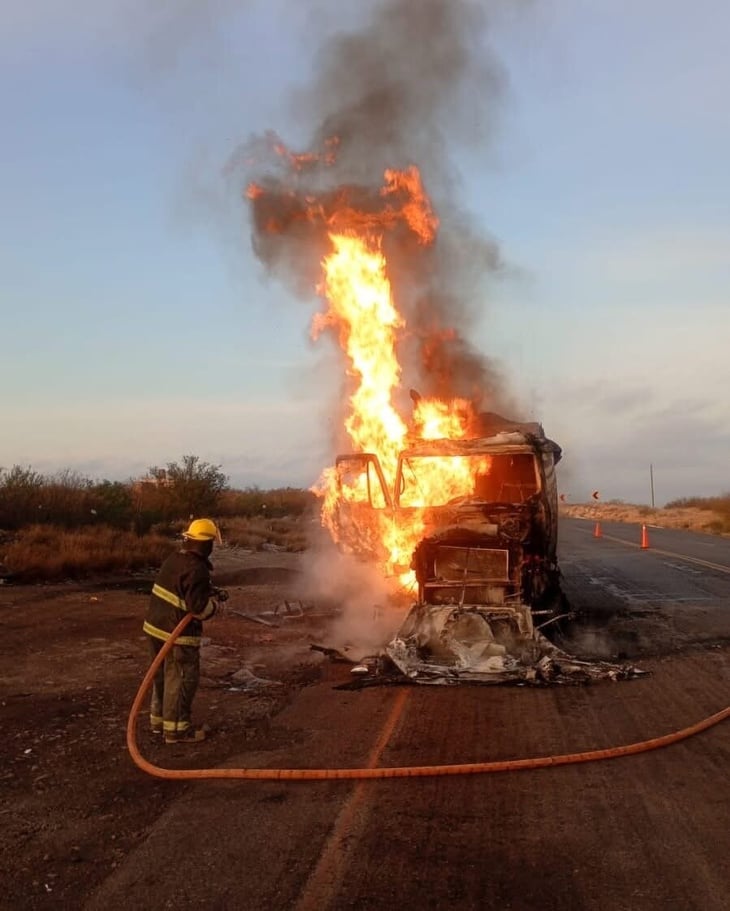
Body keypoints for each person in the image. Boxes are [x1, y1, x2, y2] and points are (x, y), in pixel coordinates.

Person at [143, 518, 228, 744]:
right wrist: (215, 607)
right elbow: (197, 608)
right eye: (211, 543)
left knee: (162, 677)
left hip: (155, 629)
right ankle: (177, 731)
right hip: (177, 634)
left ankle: (159, 723)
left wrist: (209, 590)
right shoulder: (197, 568)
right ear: (206, 544)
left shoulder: (175, 559)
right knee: (181, 679)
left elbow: (182, 587)